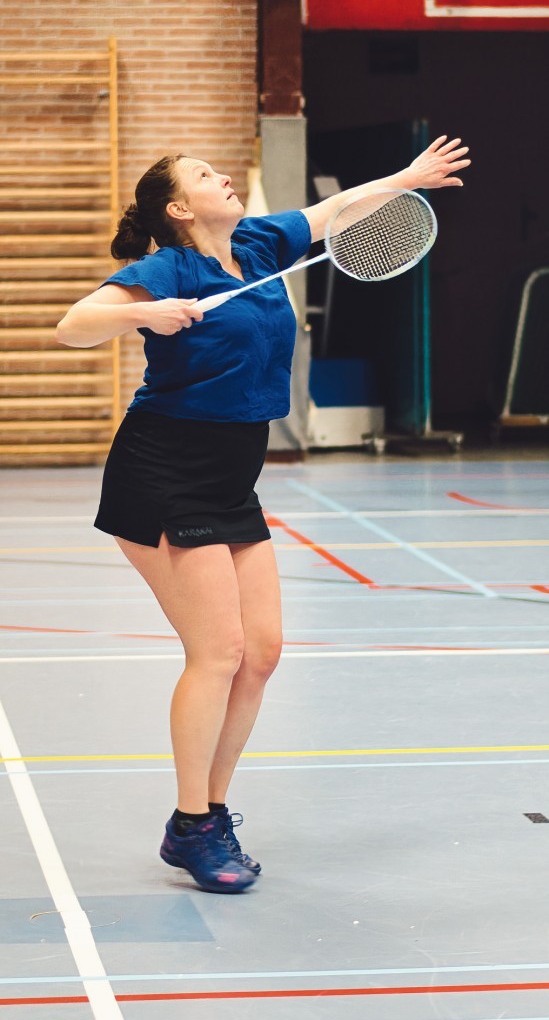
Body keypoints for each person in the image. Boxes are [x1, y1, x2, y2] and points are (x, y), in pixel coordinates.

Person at [55, 134, 469, 895]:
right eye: (205, 176)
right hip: (163, 470)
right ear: (180, 208)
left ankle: (206, 813)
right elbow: (72, 324)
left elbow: (337, 212)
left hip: (229, 475)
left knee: (262, 653)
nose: (221, 177)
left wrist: (406, 178)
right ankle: (192, 824)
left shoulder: (258, 241)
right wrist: (152, 315)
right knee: (216, 652)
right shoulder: (167, 270)